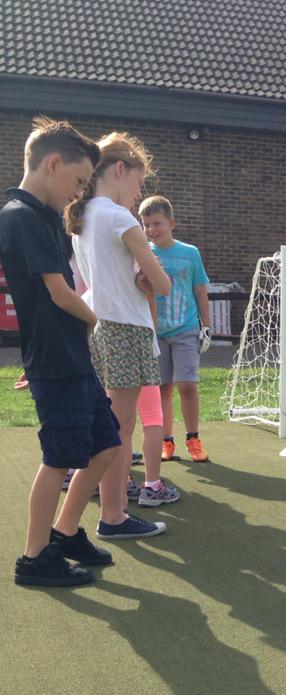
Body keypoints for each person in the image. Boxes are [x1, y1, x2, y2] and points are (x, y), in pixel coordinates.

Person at [0, 117, 122, 587]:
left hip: (71, 357)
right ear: (53, 164)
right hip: (56, 360)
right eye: (77, 181)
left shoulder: (44, 217)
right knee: (59, 458)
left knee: (107, 443)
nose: (78, 192)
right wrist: (95, 319)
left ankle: (66, 531)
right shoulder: (20, 216)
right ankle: (34, 558)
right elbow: (57, 292)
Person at [66, 132, 173, 539]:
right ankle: (113, 516)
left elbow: (99, 282)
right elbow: (161, 284)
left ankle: (112, 511)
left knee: (113, 425)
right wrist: (151, 280)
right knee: (119, 429)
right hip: (124, 329)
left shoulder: (81, 218)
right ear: (119, 169)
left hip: (98, 325)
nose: (138, 193)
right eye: (138, 183)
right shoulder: (118, 217)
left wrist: (141, 281)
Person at [138, 195, 211, 463]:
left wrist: (207, 326)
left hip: (186, 329)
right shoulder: (143, 252)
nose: (151, 230)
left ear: (171, 223)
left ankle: (193, 438)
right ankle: (166, 441)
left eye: (157, 223)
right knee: (162, 389)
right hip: (156, 333)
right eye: (145, 224)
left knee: (187, 385)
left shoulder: (190, 253)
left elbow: (200, 290)